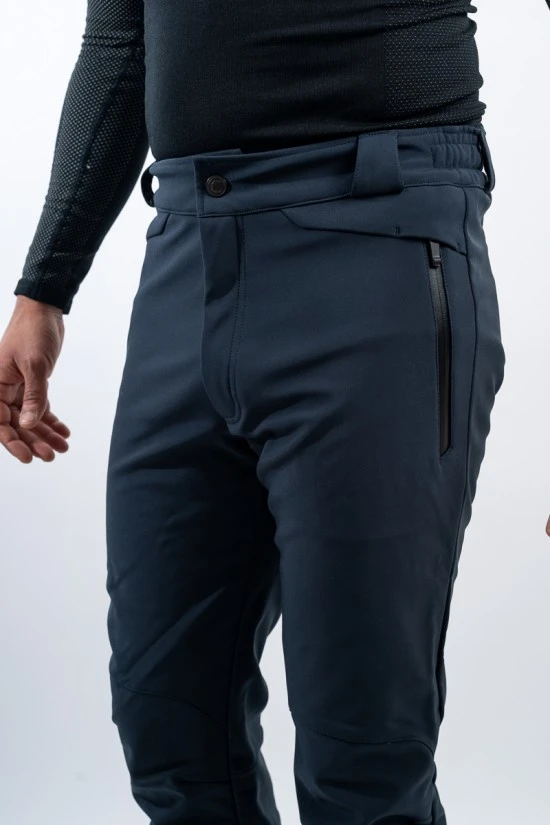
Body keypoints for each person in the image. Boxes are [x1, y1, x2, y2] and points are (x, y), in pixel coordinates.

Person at [3, 1, 537, 823]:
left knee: (363, 750)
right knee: (170, 723)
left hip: (382, 239)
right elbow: (120, 42)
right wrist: (45, 285)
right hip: (187, 251)